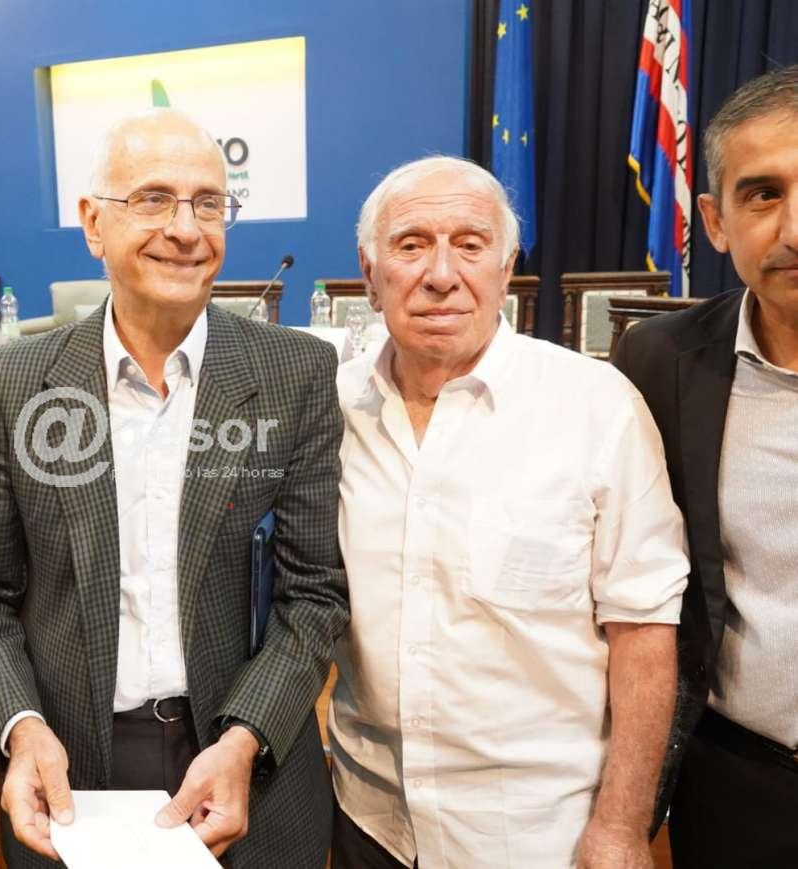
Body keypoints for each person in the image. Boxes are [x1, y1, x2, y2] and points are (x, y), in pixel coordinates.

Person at [0, 109, 348, 869]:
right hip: (70, 772)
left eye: (208, 203)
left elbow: (314, 593)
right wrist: (20, 727)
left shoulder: (295, 373)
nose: (186, 229)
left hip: (251, 763)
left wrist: (245, 737)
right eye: (154, 199)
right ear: (94, 223)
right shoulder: (11, 383)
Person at [330, 156, 689, 869]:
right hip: (370, 820)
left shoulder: (597, 407)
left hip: (536, 833)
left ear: (505, 268)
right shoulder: (333, 409)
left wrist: (622, 825)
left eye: (469, 245)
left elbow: (644, 628)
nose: (441, 274)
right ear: (370, 275)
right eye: (410, 245)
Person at [611, 64, 798, 867]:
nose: (794, 227)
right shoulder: (660, 361)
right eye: (763, 194)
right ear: (716, 222)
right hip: (734, 782)